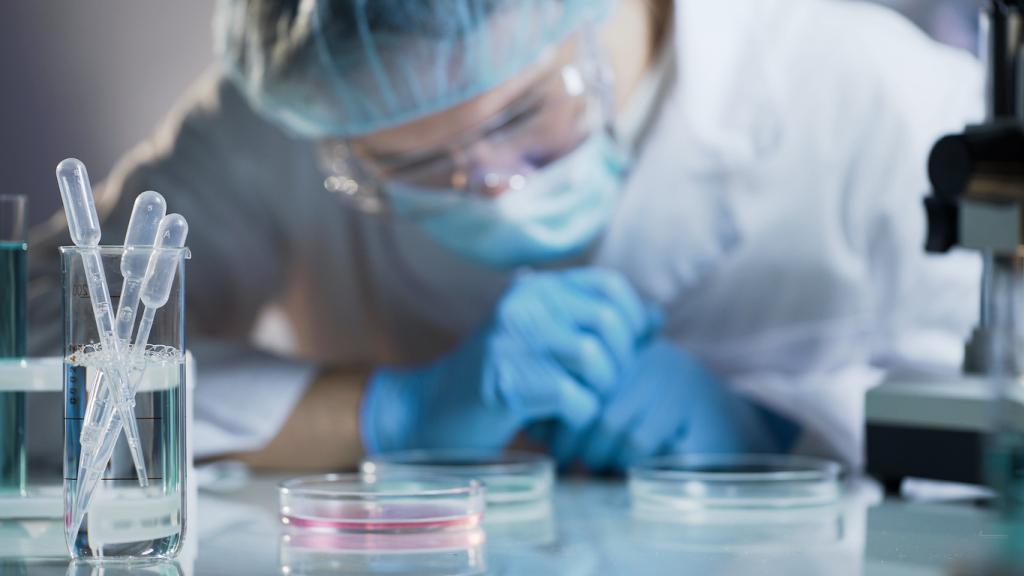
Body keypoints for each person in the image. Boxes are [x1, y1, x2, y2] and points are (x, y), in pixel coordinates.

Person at [30, 0, 982, 471]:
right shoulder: (297, 95)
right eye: (411, 164)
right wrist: (386, 414)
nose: (490, 188)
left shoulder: (876, 94)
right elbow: (35, 360)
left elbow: (998, 427)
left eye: (528, 110)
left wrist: (783, 426)